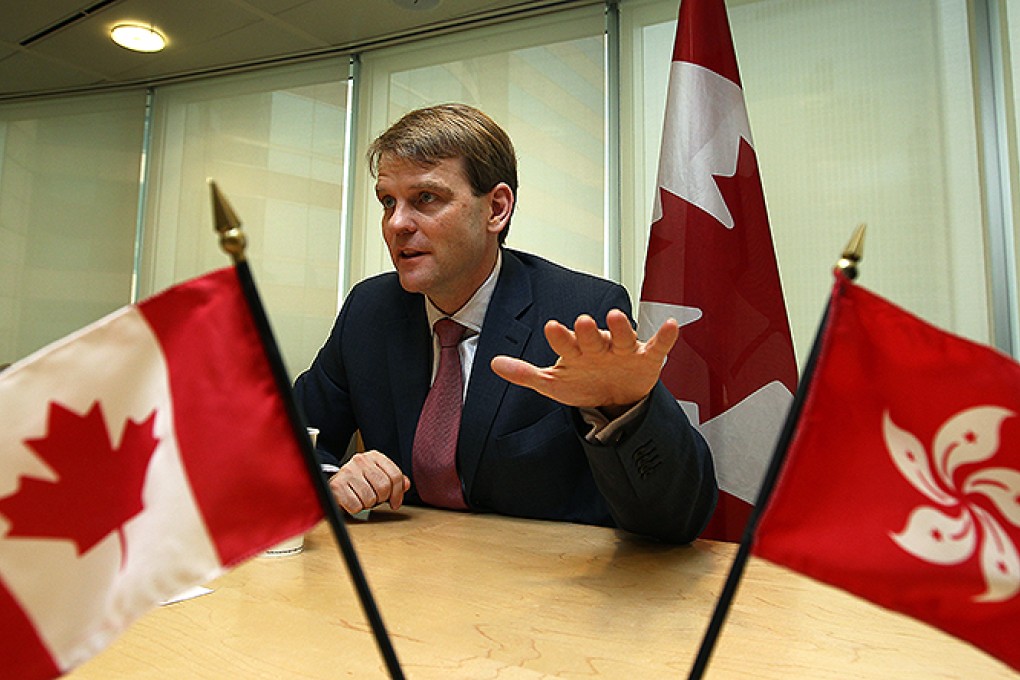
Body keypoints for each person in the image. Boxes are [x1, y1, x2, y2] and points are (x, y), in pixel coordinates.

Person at [293, 103, 716, 544]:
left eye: (426, 199)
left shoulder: (579, 314)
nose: (396, 224)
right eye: (387, 202)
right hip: (405, 576)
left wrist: (624, 410)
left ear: (496, 208)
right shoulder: (370, 310)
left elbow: (678, 520)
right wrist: (332, 476)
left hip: (545, 587)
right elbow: (286, 439)